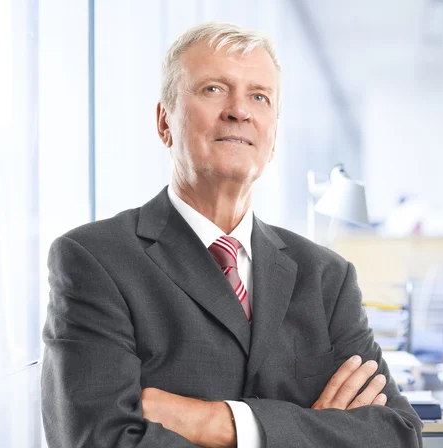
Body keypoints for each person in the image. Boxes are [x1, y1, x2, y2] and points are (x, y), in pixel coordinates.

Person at [41, 22, 423, 448]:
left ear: (273, 135)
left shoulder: (326, 277)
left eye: (259, 96)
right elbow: (100, 441)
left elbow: (398, 434)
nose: (239, 110)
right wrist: (311, 430)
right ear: (164, 121)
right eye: (213, 89)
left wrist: (220, 423)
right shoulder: (94, 260)